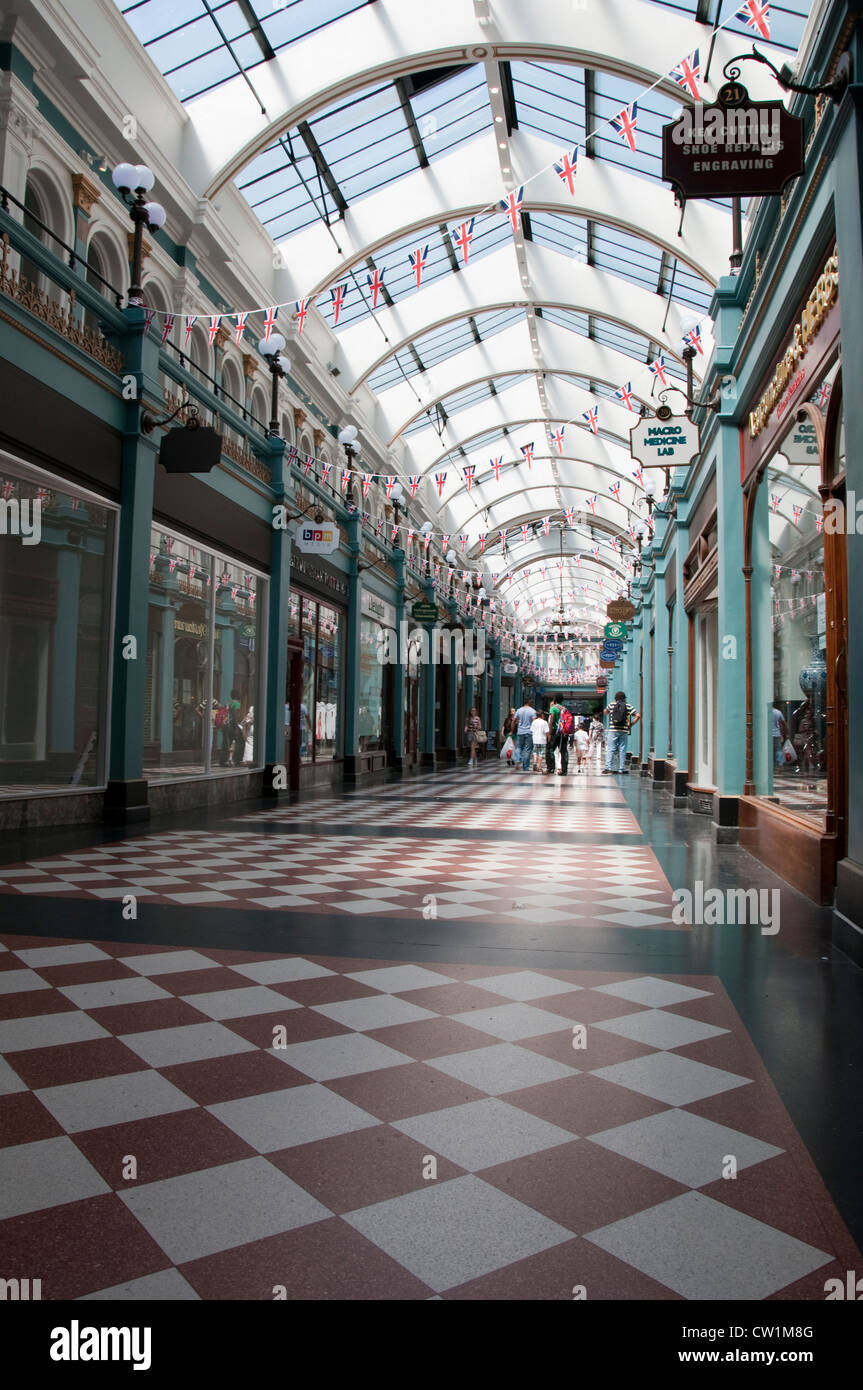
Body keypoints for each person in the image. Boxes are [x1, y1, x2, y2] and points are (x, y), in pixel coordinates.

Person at [604, 690, 641, 774]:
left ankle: (608, 767)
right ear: (624, 698)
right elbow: (638, 715)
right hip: (624, 730)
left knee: (611, 749)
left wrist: (609, 711)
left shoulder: (612, 705)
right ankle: (621, 769)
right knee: (622, 749)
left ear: (615, 698)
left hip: (613, 730)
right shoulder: (628, 706)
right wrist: (631, 724)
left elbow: (605, 712)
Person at [514, 699, 537, 771]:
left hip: (520, 732)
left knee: (518, 747)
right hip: (529, 732)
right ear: (529, 702)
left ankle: (518, 759)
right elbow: (534, 722)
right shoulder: (533, 711)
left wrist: (512, 730)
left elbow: (513, 721)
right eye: (531, 702)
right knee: (528, 749)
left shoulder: (518, 710)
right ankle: (525, 767)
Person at [530, 708, 550, 773]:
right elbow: (547, 732)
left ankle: (535, 763)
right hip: (542, 740)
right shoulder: (545, 722)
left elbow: (532, 731)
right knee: (541, 754)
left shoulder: (534, 722)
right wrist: (548, 738)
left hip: (535, 740)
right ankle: (539, 767)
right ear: (542, 715)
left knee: (535, 752)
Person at [546, 697, 563, 775]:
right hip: (562, 732)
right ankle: (560, 768)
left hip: (554, 732)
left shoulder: (553, 709)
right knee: (560, 751)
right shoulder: (563, 708)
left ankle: (551, 768)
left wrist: (549, 733)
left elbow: (551, 721)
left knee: (550, 750)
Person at [556, 704, 574, 775]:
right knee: (564, 752)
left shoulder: (562, 714)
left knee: (559, 752)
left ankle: (561, 769)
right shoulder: (568, 714)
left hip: (561, 734)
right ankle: (564, 769)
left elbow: (561, 724)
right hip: (566, 734)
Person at [772, 702, 788, 768]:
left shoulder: (767, 712)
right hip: (777, 734)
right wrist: (785, 733)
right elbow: (784, 723)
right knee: (778, 749)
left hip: (767, 735)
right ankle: (780, 763)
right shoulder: (778, 712)